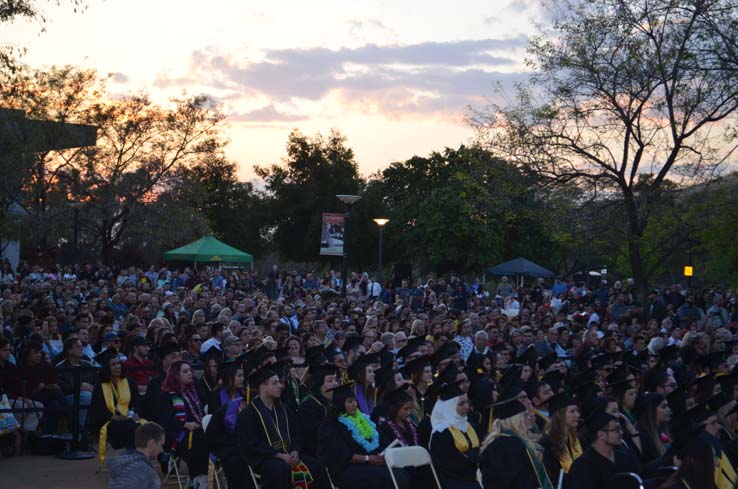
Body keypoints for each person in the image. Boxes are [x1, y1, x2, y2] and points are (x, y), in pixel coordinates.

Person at [237, 365, 328, 489]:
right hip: (264, 458)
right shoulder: (248, 414)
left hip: (289, 454)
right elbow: (251, 444)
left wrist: (295, 450)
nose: (280, 386)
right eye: (275, 383)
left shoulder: (284, 410)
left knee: (316, 465)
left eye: (279, 382)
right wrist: (278, 455)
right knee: (281, 469)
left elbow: (296, 433)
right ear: (263, 387)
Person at [318, 383, 408, 489]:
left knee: (401, 473)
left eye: (355, 400)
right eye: (350, 401)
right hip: (347, 468)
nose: (355, 404)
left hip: (370, 463)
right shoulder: (332, 425)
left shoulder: (363, 419)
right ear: (340, 404)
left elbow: (379, 440)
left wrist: (383, 454)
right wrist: (367, 458)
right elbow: (341, 454)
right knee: (385, 477)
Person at [156, 361, 209, 489]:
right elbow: (166, 419)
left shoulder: (193, 391)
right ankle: (196, 479)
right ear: (175, 375)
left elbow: (203, 408)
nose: (190, 373)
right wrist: (185, 424)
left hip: (196, 431)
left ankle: (199, 478)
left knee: (206, 439)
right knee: (199, 443)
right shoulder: (166, 395)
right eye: (185, 371)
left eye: (190, 370)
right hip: (177, 435)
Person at [479, 400, 553, 489]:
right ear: (515, 420)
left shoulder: (501, 441)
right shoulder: (508, 445)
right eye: (525, 415)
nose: (530, 417)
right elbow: (515, 481)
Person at [88, 348, 142, 464]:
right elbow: (97, 410)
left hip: (129, 417)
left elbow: (137, 402)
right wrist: (115, 417)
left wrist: (136, 413)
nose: (118, 366)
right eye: (113, 365)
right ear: (107, 368)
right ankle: (133, 458)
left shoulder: (129, 382)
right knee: (129, 428)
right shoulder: (100, 387)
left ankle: (136, 457)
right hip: (109, 421)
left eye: (118, 363)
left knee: (146, 427)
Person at [565, 412, 641, 489]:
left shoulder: (624, 457)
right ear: (601, 434)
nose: (621, 432)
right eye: (616, 429)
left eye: (620, 429)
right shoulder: (583, 466)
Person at [429, 381, 481, 489]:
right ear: (449, 407)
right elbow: (450, 464)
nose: (467, 406)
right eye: (461, 403)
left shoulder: (470, 425)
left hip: (475, 473)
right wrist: (476, 469)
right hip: (454, 480)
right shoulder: (440, 433)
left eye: (467, 402)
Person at [539, 394, 583, 485]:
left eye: (577, 411)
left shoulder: (578, 439)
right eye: (572, 411)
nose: (577, 415)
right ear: (560, 415)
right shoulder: (547, 444)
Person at [108, 422, 165, 489]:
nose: (162, 450)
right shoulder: (147, 473)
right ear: (151, 444)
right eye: (161, 445)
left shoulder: (120, 464)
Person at [298, 363, 339, 456]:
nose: (335, 384)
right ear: (319, 384)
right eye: (330, 380)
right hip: (318, 454)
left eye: (335, 379)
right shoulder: (308, 405)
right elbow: (314, 436)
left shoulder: (333, 402)